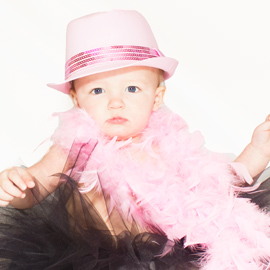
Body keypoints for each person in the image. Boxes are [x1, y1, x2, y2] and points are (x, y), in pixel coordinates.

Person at [0, 10, 270, 270]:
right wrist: (18, 187)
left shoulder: (169, 144)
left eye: (132, 88)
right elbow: (34, 189)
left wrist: (257, 150)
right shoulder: (73, 147)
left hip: (180, 254)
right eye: (97, 90)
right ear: (76, 100)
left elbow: (215, 191)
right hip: (99, 260)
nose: (115, 102)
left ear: (156, 97)